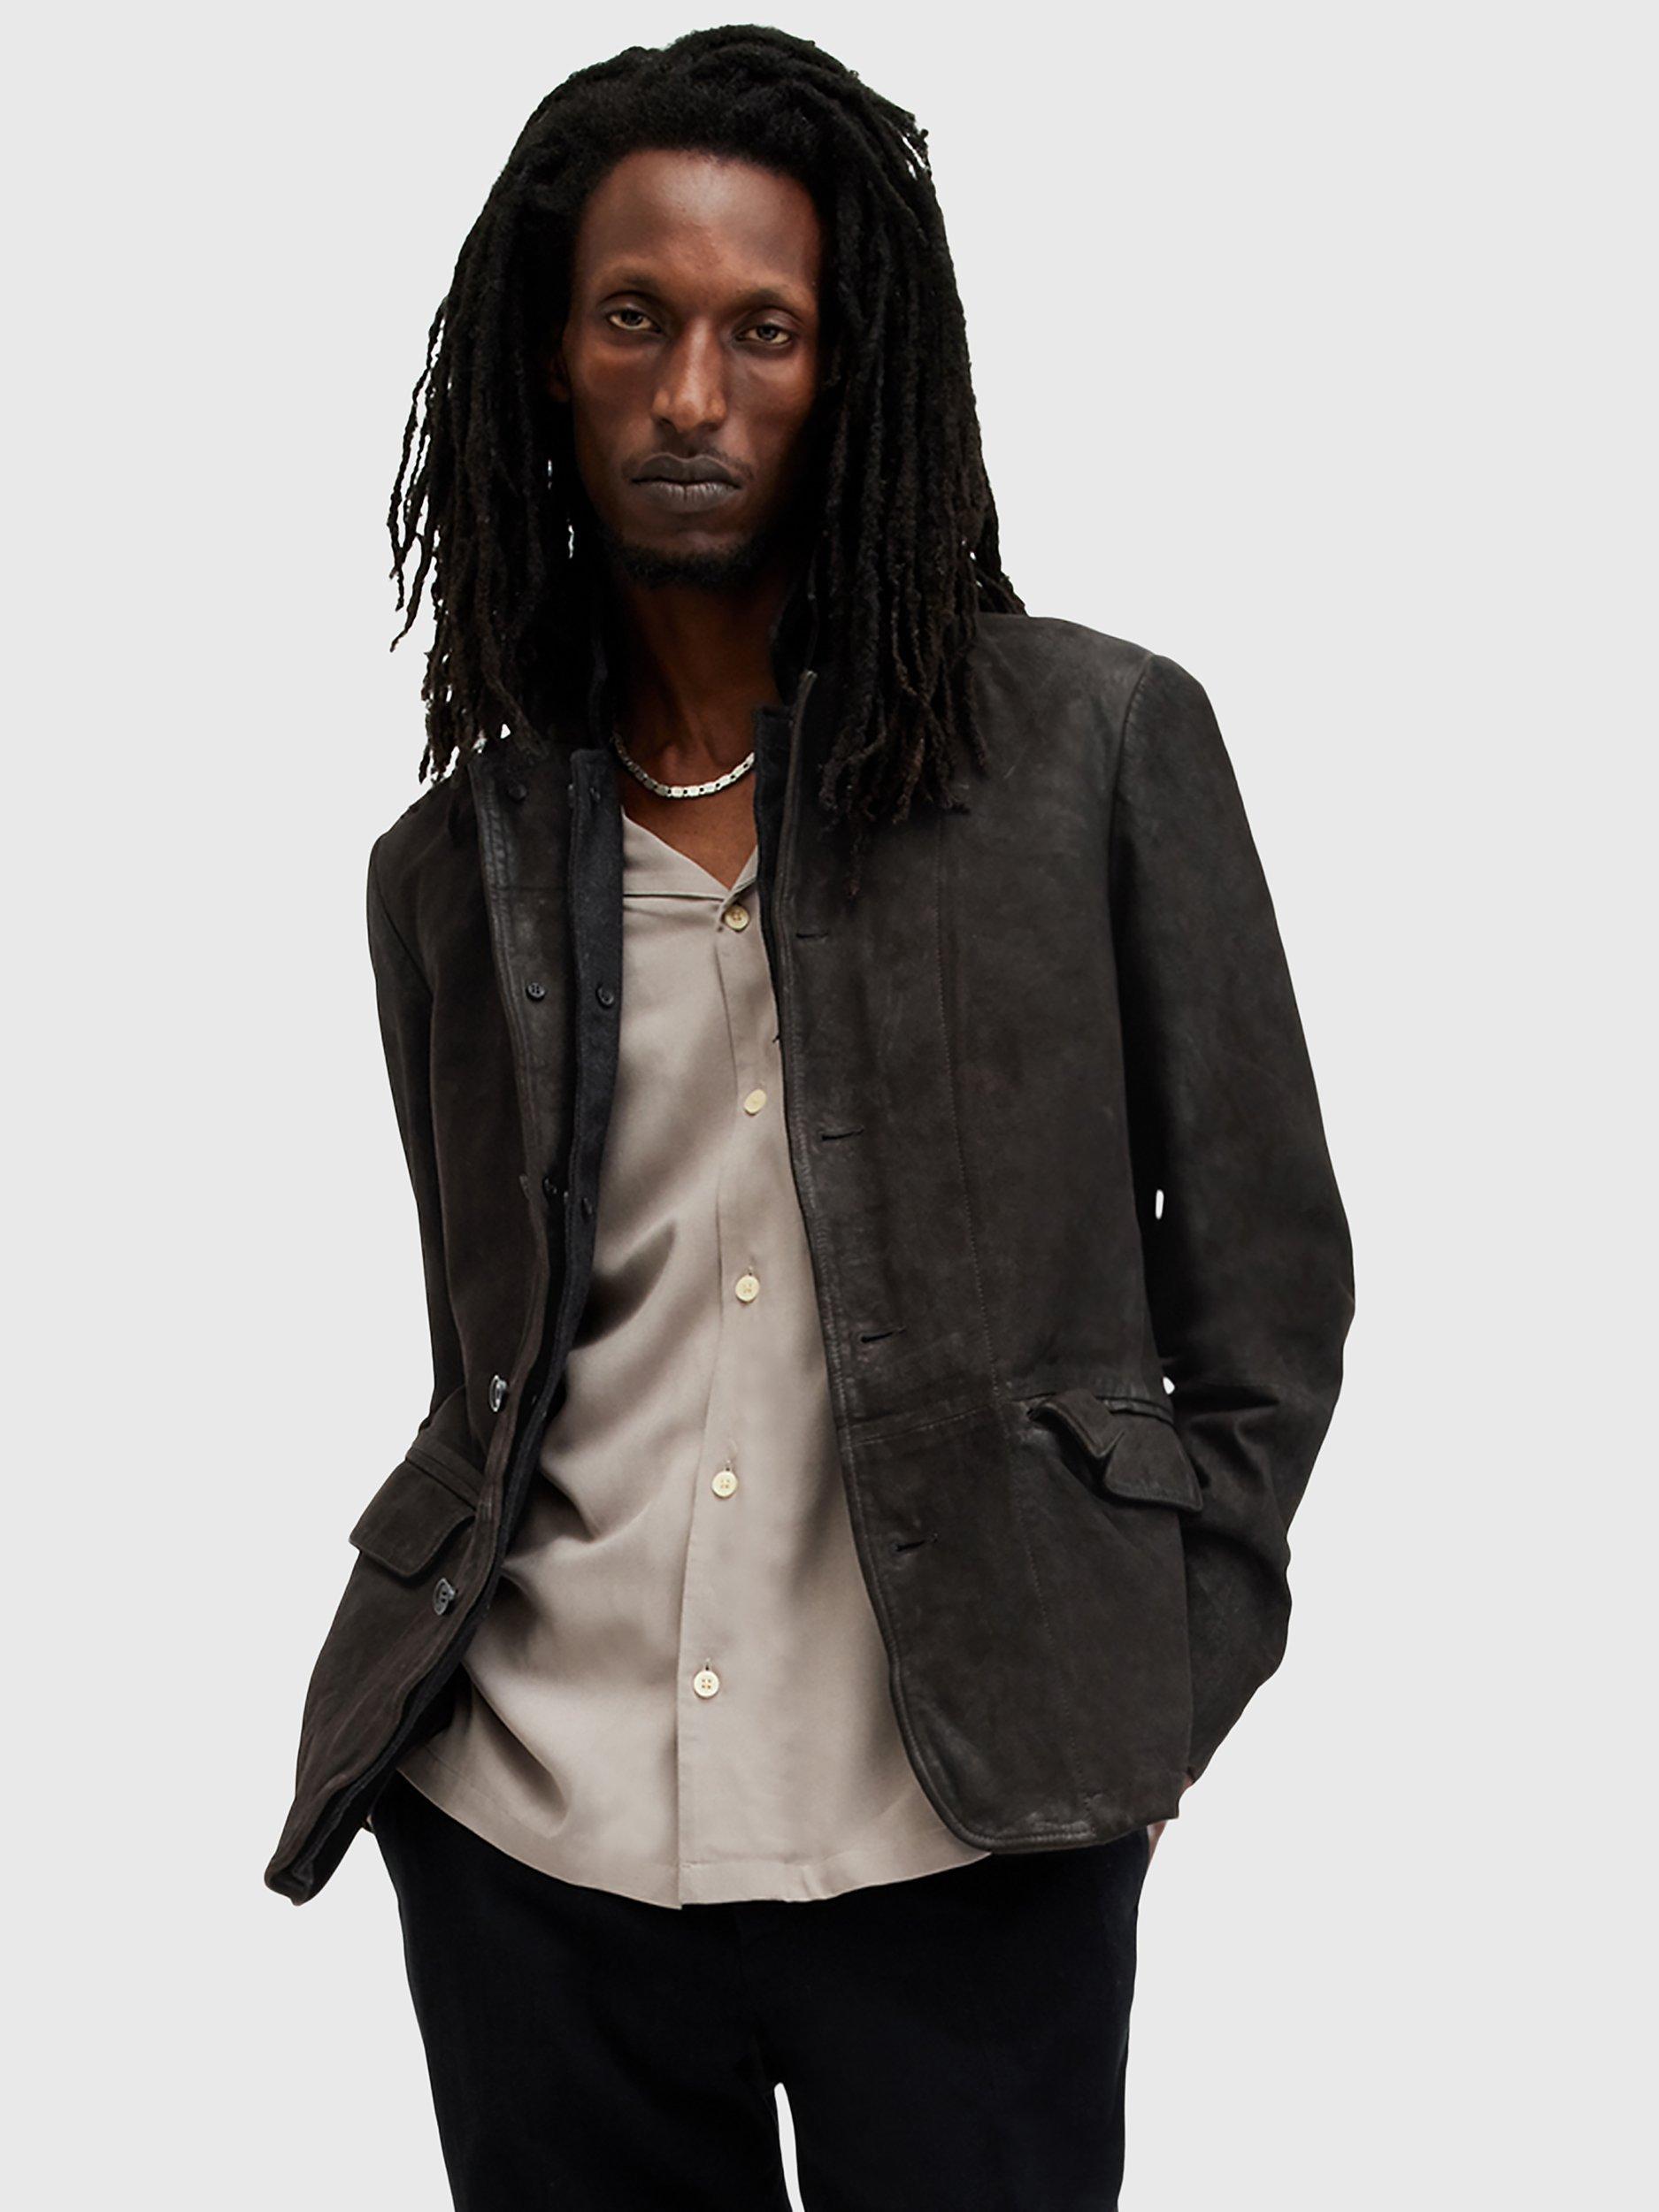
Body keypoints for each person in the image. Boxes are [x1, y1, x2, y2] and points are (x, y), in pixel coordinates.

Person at [265, 26, 1355, 2210]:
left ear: (850, 367)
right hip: (525, 1837)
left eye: (762, 328)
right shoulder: (449, 871)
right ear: (546, 360)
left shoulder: (1095, 751)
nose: (693, 394)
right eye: (633, 319)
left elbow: (1265, 1293)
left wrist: (1152, 1681)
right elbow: (493, 1361)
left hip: (964, 1831)